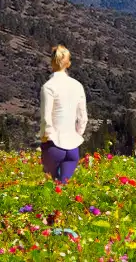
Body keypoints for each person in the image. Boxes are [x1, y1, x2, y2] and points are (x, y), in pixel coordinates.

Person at [39, 45, 88, 183]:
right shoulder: (77, 85)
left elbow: (46, 118)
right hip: (73, 147)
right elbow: (83, 117)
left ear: (52, 62)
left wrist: (45, 137)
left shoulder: (48, 87)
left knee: (51, 186)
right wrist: (77, 134)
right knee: (64, 187)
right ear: (68, 63)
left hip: (54, 145)